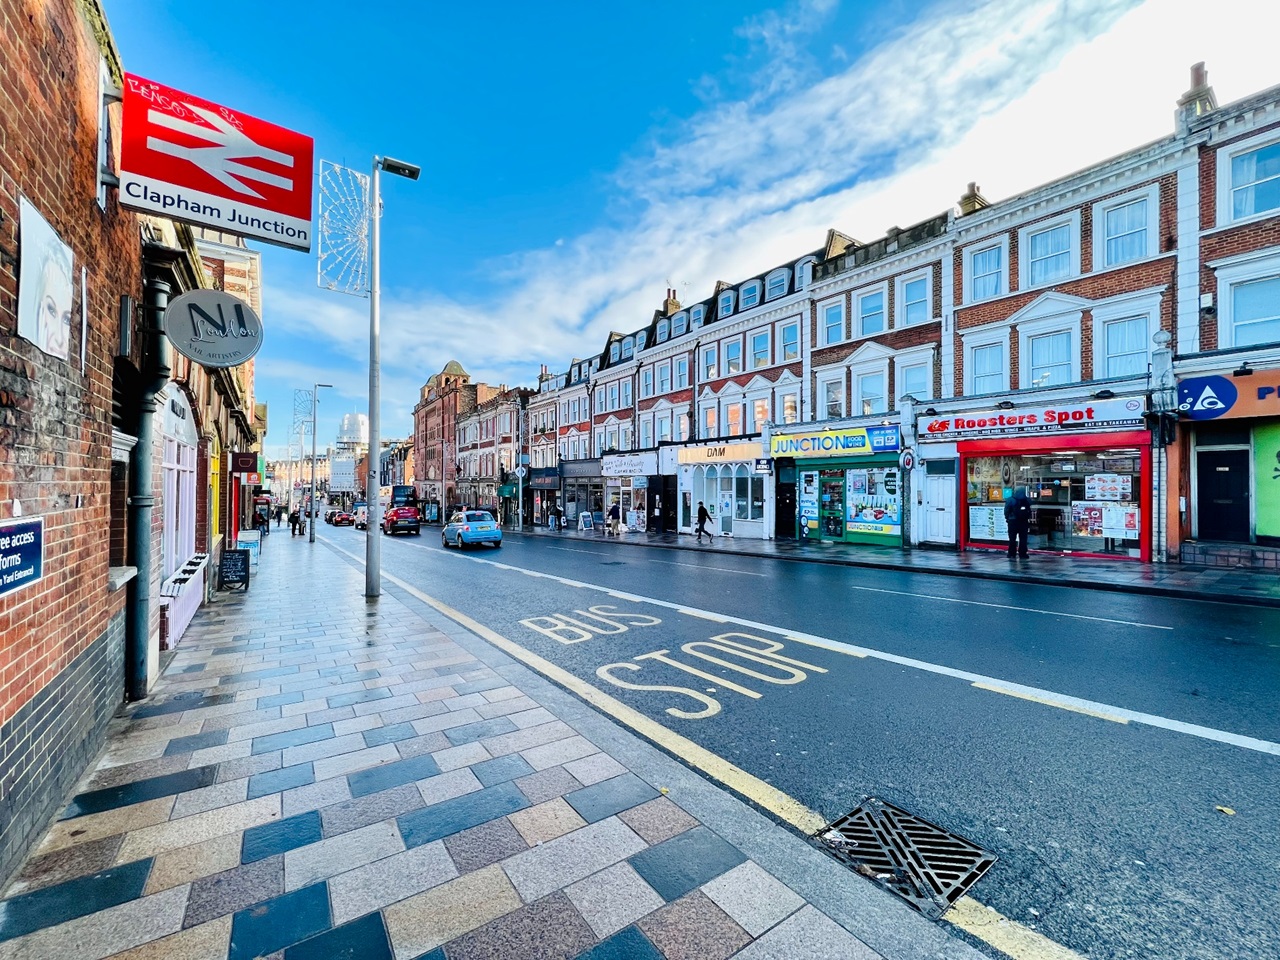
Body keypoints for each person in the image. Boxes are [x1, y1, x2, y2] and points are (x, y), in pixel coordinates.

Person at [1004, 486, 1032, 559]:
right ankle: (1023, 554)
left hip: (1013, 521)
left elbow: (1006, 510)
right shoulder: (1027, 500)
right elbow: (1030, 507)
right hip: (1024, 522)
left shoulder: (1010, 500)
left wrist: (1007, 518)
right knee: (1023, 538)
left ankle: (1012, 553)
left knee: (1012, 538)